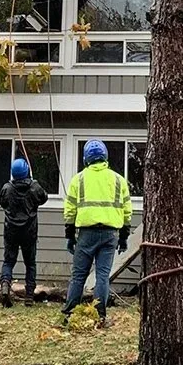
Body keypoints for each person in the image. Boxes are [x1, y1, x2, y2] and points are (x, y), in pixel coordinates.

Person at [61, 139, 131, 325]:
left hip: (86, 233)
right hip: (110, 234)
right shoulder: (118, 180)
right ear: (105, 157)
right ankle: (100, 316)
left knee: (78, 275)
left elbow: (70, 209)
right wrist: (124, 237)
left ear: (86, 158)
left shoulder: (79, 179)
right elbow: (127, 210)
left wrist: (69, 235)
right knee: (102, 276)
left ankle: (69, 314)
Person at [0, 157, 48, 307]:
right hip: (29, 232)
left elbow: (2, 203)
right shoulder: (35, 187)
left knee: (8, 261)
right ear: (27, 171)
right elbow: (44, 198)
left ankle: (5, 284)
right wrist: (34, 183)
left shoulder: (7, 188)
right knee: (30, 264)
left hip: (11, 231)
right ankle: (29, 296)